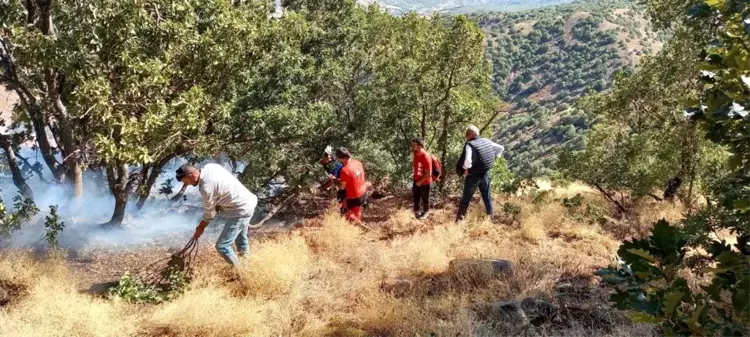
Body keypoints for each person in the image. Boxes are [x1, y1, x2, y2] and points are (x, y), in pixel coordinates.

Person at [176, 163, 258, 267]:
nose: (187, 184)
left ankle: (241, 273)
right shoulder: (211, 166)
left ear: (192, 175)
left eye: (186, 181)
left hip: (241, 211)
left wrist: (200, 227)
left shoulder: (206, 187)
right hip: (248, 201)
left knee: (222, 246)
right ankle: (248, 266)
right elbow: (219, 194)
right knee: (241, 240)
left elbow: (210, 213)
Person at [455, 125, 505, 222]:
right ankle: (491, 219)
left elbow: (468, 161)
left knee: (465, 200)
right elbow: (501, 148)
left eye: (467, 135)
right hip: (485, 174)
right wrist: (495, 158)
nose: (466, 137)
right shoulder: (487, 141)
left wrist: (465, 170)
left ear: (470, 135)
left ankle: (458, 222)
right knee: (487, 198)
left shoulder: (470, 145)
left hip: (473, 176)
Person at [335, 147, 367, 226]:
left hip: (354, 195)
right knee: (356, 209)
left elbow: (342, 187)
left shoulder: (345, 170)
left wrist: (334, 180)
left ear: (340, 158)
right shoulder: (358, 162)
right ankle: (358, 223)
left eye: (338, 158)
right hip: (362, 192)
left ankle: (359, 226)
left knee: (345, 212)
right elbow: (353, 177)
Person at [318, 145, 347, 214]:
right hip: (338, 182)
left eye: (326, 155)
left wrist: (322, 188)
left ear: (330, 156)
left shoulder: (335, 164)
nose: (324, 157)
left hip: (344, 183)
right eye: (324, 155)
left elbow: (333, 180)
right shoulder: (324, 162)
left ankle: (344, 215)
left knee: (342, 197)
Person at [411, 137, 433, 219]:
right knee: (416, 197)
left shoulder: (426, 157)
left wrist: (420, 182)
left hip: (425, 182)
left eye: (414, 145)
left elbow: (429, 174)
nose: (412, 147)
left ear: (420, 146)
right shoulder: (415, 154)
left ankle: (425, 212)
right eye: (412, 145)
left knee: (425, 198)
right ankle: (417, 211)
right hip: (416, 180)